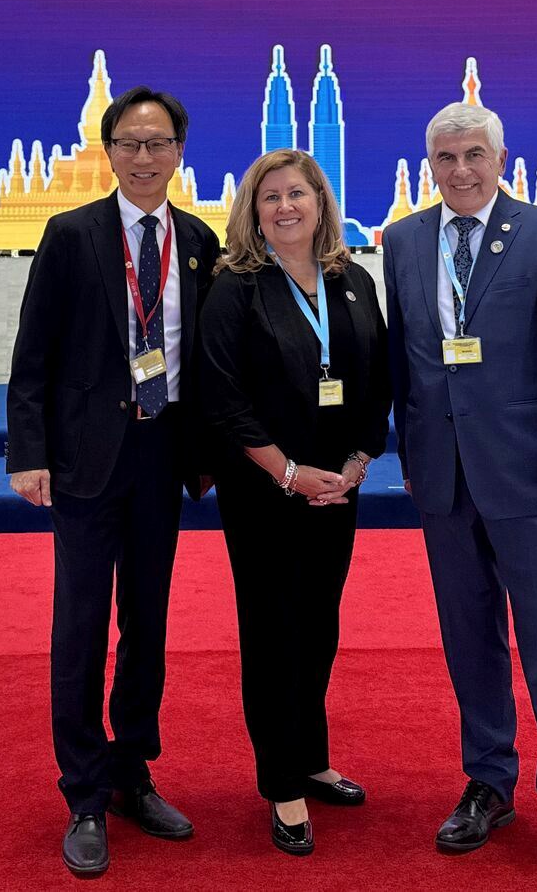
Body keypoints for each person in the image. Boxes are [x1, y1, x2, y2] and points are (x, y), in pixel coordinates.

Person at [381, 102, 537, 891]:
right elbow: (408, 361)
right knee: (468, 641)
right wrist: (412, 451)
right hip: (442, 480)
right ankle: (488, 781)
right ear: (430, 164)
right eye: (445, 158)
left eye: (474, 155)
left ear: (501, 157)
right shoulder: (407, 241)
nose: (460, 171)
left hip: (528, 479)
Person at [4, 86, 222, 879]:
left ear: (178, 152)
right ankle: (85, 794)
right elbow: (33, 358)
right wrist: (28, 452)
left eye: (158, 142)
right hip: (85, 461)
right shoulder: (70, 235)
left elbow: (206, 362)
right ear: (109, 151)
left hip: (164, 457)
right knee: (81, 626)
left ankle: (133, 770)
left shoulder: (200, 240)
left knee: (148, 624)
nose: (143, 155)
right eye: (129, 142)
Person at [196, 149, 391, 857]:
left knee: (319, 626)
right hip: (265, 495)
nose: (285, 206)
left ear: (320, 201)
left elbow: (379, 381)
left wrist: (356, 461)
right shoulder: (236, 288)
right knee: (274, 634)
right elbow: (222, 395)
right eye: (270, 195)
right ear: (253, 209)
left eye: (298, 193)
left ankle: (311, 756)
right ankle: (281, 781)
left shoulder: (354, 281)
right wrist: (287, 472)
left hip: (337, 490)